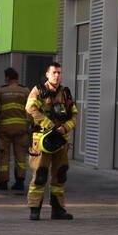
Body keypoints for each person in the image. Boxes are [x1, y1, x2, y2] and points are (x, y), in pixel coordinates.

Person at [26, 62, 78, 220]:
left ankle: (58, 209)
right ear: (47, 74)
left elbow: (74, 115)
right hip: (42, 140)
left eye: (59, 72)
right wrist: (49, 124)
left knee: (60, 175)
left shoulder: (65, 93)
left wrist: (65, 127)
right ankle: (35, 209)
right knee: (40, 175)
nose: (57, 75)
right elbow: (30, 108)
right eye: (54, 72)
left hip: (60, 141)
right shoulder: (39, 90)